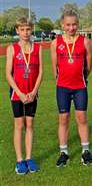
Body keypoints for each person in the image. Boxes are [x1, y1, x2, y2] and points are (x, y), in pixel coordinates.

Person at [50, 10, 92, 167]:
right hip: (62, 87)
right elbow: (54, 67)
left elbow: (89, 65)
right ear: (62, 25)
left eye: (74, 24)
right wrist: (60, 80)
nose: (71, 27)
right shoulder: (56, 42)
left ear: (78, 24)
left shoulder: (85, 41)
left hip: (80, 86)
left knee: (81, 118)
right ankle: (64, 152)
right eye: (68, 25)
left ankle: (85, 151)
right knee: (63, 119)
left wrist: (81, 78)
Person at [6, 17, 43, 174]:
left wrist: (34, 91)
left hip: (32, 93)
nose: (25, 32)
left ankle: (29, 158)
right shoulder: (12, 48)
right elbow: (8, 74)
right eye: (22, 29)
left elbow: (41, 71)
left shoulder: (38, 48)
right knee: (19, 125)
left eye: (28, 29)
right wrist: (20, 93)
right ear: (17, 30)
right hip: (17, 94)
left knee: (30, 125)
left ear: (31, 29)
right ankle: (19, 160)